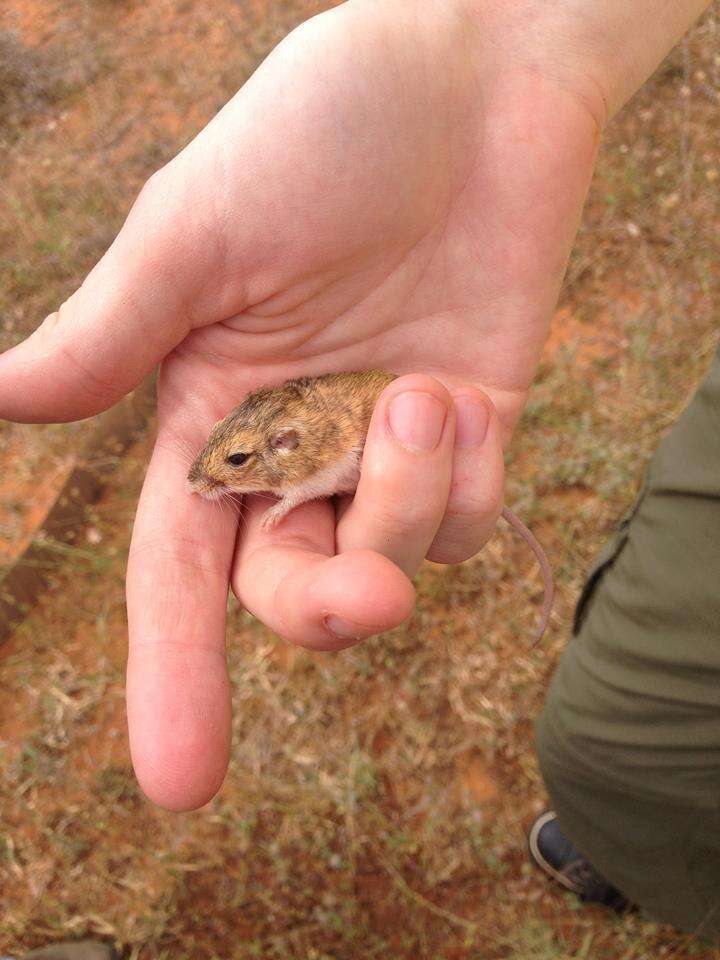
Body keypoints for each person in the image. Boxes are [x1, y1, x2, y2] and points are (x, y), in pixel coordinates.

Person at [1, 0, 715, 948]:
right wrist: (496, 47)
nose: (223, 480)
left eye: (241, 468)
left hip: (362, 429)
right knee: (602, 742)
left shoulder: (302, 459)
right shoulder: (272, 422)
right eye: (230, 467)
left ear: (280, 458)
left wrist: (288, 491)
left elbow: (320, 470)